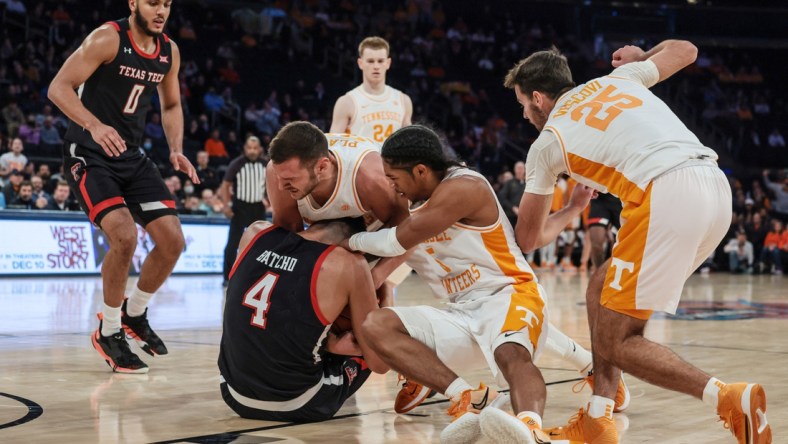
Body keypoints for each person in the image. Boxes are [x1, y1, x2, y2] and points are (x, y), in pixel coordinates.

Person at [506, 41, 771, 442]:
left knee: (619, 341)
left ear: (539, 98)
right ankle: (599, 416)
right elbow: (686, 49)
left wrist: (572, 210)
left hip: (665, 195)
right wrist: (642, 57)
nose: (525, 114)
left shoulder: (546, 144)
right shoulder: (620, 78)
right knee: (601, 285)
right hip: (716, 188)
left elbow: (526, 238)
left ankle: (728, 397)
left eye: (524, 105)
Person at [343, 125, 602, 444]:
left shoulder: (464, 187)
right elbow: (401, 247)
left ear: (421, 170)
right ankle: (466, 397)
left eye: (395, 178)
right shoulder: (413, 201)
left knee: (511, 352)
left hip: (510, 292)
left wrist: (348, 241)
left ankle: (530, 428)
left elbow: (397, 241)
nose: (393, 188)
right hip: (461, 310)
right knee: (376, 325)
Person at [48, 0, 199, 374]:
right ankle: (110, 330)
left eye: (166, 3)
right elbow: (58, 88)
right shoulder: (107, 38)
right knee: (124, 236)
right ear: (133, 3)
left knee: (172, 241)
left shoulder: (169, 52)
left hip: (130, 155)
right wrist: (95, 125)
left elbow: (172, 104)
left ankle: (135, 314)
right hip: (89, 153)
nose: (161, 10)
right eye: (152, 3)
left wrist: (176, 149)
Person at [219, 218, 388, 422]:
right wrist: (385, 292)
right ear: (353, 245)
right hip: (300, 402)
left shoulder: (255, 232)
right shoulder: (348, 262)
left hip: (234, 393)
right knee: (373, 340)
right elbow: (380, 362)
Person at [329, 36, 413, 143]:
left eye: (380, 61)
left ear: (388, 63)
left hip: (392, 159)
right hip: (358, 159)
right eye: (370, 61)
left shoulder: (403, 101)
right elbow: (333, 147)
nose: (376, 66)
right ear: (360, 63)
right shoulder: (346, 102)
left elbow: (409, 144)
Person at [217, 136, 268, 284]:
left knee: (262, 243)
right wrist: (226, 206)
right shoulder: (237, 164)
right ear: (245, 149)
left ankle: (259, 275)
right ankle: (227, 277)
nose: (252, 151)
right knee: (233, 243)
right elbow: (225, 184)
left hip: (258, 207)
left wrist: (270, 201)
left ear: (259, 149)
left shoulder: (266, 164)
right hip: (240, 207)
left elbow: (273, 182)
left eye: (255, 148)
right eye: (249, 148)